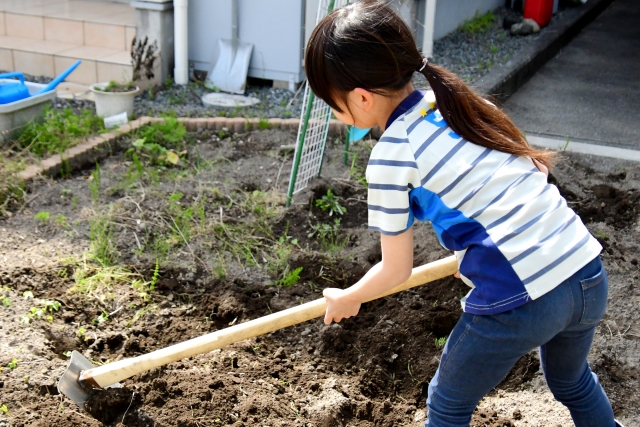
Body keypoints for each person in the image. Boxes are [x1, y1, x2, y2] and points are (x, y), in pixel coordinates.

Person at [304, 2, 621, 427]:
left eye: (332, 103)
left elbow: (396, 270)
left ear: (361, 98)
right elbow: (533, 175)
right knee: (572, 382)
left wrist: (350, 297)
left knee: (448, 403)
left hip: (522, 298)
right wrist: (472, 255)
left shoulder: (391, 157)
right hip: (585, 271)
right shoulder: (463, 104)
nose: (334, 113)